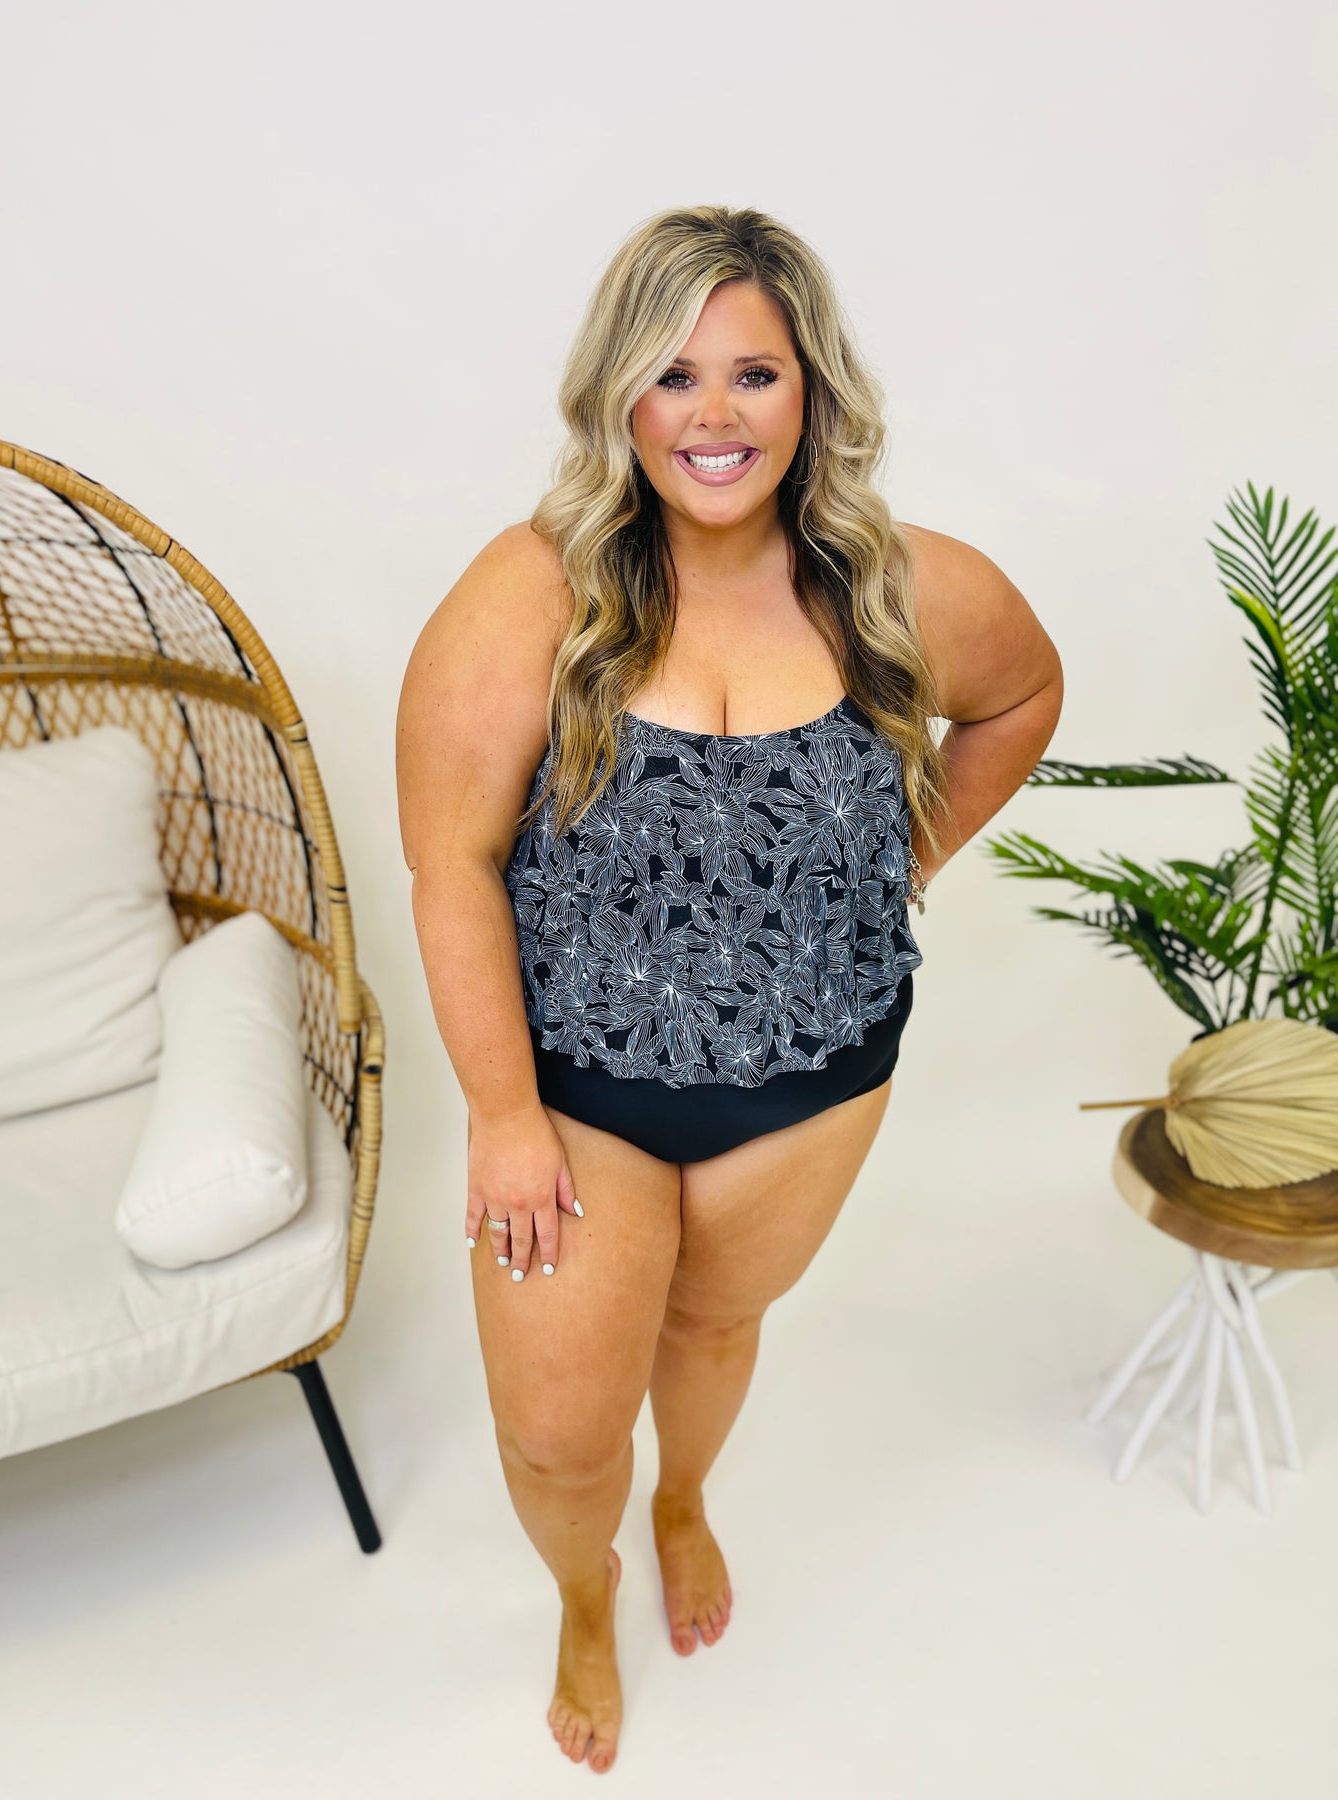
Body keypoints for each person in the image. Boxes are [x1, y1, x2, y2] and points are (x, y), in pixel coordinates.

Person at [396, 204, 1063, 1777]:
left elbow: (1023, 693)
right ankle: (585, 1592)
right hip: (578, 1091)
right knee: (557, 1432)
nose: (714, 416)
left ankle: (683, 1500)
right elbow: (449, 865)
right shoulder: (531, 590)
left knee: (713, 1323)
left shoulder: (891, 584)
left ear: (809, 390)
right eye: (673, 374)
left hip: (813, 1079)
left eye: (753, 374)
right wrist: (502, 1116)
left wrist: (898, 867)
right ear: (618, 394)